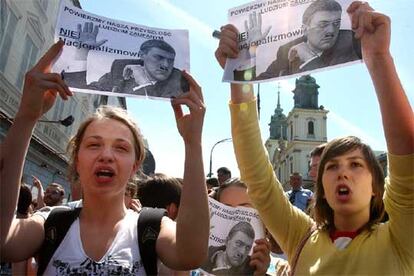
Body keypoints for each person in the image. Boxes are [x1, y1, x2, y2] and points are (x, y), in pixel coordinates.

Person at [216, 1, 413, 274]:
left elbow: (408, 159)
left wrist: (379, 58)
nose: (343, 173)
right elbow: (257, 177)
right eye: (332, 167)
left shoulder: (401, 238)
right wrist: (241, 74)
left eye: (356, 165)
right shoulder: (300, 236)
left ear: (377, 187)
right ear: (320, 185)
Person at [0, 40, 209, 274]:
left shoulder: (151, 228)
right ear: (77, 159)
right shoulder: (50, 222)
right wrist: (26, 117)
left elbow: (190, 254)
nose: (106, 155)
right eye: (94, 144)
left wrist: (193, 143)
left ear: (135, 166)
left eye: (120, 148)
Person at [233, 0, 362, 81]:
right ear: (305, 29)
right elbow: (249, 84)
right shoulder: (285, 51)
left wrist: (310, 59)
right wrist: (251, 49)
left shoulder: (353, 42)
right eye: (323, 25)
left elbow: (334, 86)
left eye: (336, 23)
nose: (331, 31)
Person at [63, 23, 188, 98]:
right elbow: (78, 91)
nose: (165, 65)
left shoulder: (178, 82)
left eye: (170, 60)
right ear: (142, 55)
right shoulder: (119, 69)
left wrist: (143, 82)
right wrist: (82, 53)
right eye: (159, 57)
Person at [204, 177, 270, 275]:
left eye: (245, 210)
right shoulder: (202, 255)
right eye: (227, 209)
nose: (235, 220)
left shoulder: (279, 268)